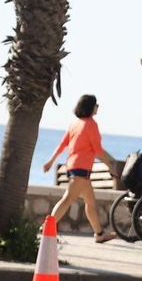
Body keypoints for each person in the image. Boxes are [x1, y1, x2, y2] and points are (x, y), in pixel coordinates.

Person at [41, 94, 121, 243]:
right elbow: (98, 149)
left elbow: (62, 144)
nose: (98, 108)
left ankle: (99, 234)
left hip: (74, 167)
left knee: (91, 204)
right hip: (81, 169)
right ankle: (47, 228)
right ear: (90, 107)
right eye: (96, 105)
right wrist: (111, 167)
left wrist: (51, 161)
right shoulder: (91, 124)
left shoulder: (75, 124)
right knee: (68, 199)